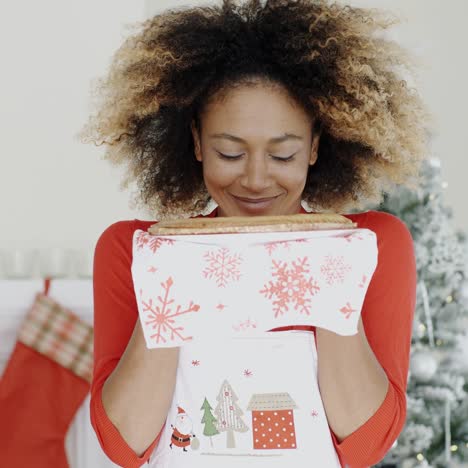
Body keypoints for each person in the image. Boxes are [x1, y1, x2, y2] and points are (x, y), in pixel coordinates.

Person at [79, 1, 432, 467]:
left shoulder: (370, 244)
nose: (256, 179)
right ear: (198, 143)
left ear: (315, 147)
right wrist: (168, 275)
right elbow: (125, 446)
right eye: (230, 152)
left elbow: (365, 445)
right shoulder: (136, 250)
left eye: (283, 155)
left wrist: (325, 267)